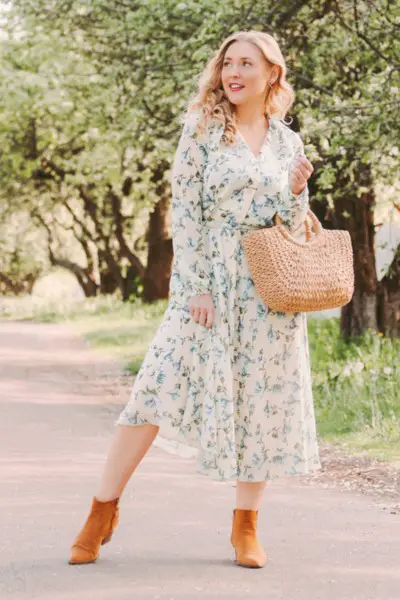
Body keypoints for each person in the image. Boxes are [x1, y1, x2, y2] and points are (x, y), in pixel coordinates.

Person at [68, 29, 322, 570]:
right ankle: (101, 510)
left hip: (266, 291)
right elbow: (185, 212)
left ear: (271, 73)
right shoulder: (204, 129)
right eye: (228, 62)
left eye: (246, 64)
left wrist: (297, 193)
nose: (233, 72)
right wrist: (196, 288)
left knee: (261, 402)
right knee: (152, 391)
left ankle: (245, 527)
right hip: (207, 286)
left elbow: (292, 227)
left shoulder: (287, 143)